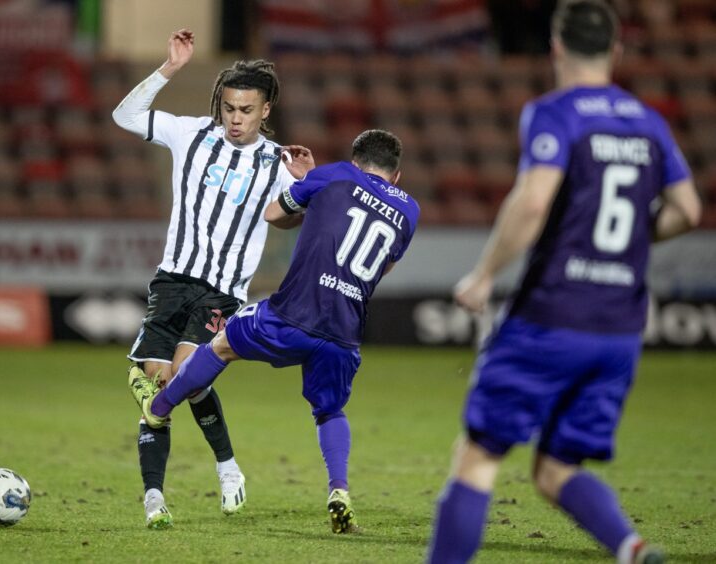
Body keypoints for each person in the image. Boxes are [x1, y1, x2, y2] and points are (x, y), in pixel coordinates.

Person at [427, 1, 701, 563]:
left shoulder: (555, 113)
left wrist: (483, 275)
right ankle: (630, 547)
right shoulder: (648, 121)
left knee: (478, 458)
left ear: (556, 47)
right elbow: (688, 209)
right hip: (620, 329)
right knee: (555, 469)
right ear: (615, 51)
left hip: (551, 316)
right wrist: (632, 242)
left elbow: (531, 204)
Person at [129, 129, 419, 533]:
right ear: (397, 175)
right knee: (329, 410)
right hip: (345, 330)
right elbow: (382, 266)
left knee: (222, 344)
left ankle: (158, 409)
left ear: (355, 162)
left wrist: (307, 184)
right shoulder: (410, 210)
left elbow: (274, 214)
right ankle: (339, 490)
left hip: (293, 314)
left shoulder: (334, 175)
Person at [112, 29, 315, 529]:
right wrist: (170, 68)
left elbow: (288, 218)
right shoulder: (191, 133)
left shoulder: (277, 162)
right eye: (229, 108)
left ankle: (226, 469)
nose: (236, 119)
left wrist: (307, 186)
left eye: (246, 110)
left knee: (183, 378)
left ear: (266, 110)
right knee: (162, 386)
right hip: (172, 279)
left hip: (223, 289)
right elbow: (125, 116)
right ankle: (155, 499)